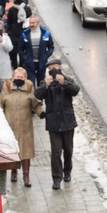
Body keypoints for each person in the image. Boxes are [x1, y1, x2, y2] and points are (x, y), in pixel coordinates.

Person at [34, 58, 81, 190]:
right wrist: (45, 86)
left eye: (54, 68)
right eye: (49, 69)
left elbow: (75, 90)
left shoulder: (67, 80)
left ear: (60, 68)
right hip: (53, 123)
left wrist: (64, 82)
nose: (51, 71)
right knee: (55, 152)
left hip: (68, 122)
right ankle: (56, 178)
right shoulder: (47, 82)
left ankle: (67, 171)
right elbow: (37, 94)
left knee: (68, 150)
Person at [0, 67, 42, 187]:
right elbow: (0, 105)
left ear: (25, 78)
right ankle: (13, 171)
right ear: (13, 78)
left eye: (21, 77)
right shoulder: (6, 89)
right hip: (10, 126)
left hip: (25, 127)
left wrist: (41, 112)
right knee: (13, 150)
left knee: (26, 152)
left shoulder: (29, 89)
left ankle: (26, 176)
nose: (19, 79)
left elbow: (36, 104)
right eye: (17, 77)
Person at [19, 15, 55, 87]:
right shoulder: (25, 34)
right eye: (30, 23)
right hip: (30, 63)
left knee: (41, 83)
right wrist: (26, 59)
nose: (31, 25)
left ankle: (39, 97)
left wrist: (45, 56)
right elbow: (20, 48)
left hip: (41, 62)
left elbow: (51, 47)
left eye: (33, 23)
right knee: (31, 83)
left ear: (38, 23)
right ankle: (32, 97)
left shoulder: (46, 33)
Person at [6, 0, 31, 68]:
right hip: (13, 34)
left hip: (24, 33)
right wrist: (9, 31)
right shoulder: (11, 9)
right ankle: (14, 65)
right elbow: (9, 22)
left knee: (23, 52)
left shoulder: (27, 9)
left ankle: (22, 66)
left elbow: (30, 20)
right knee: (13, 52)